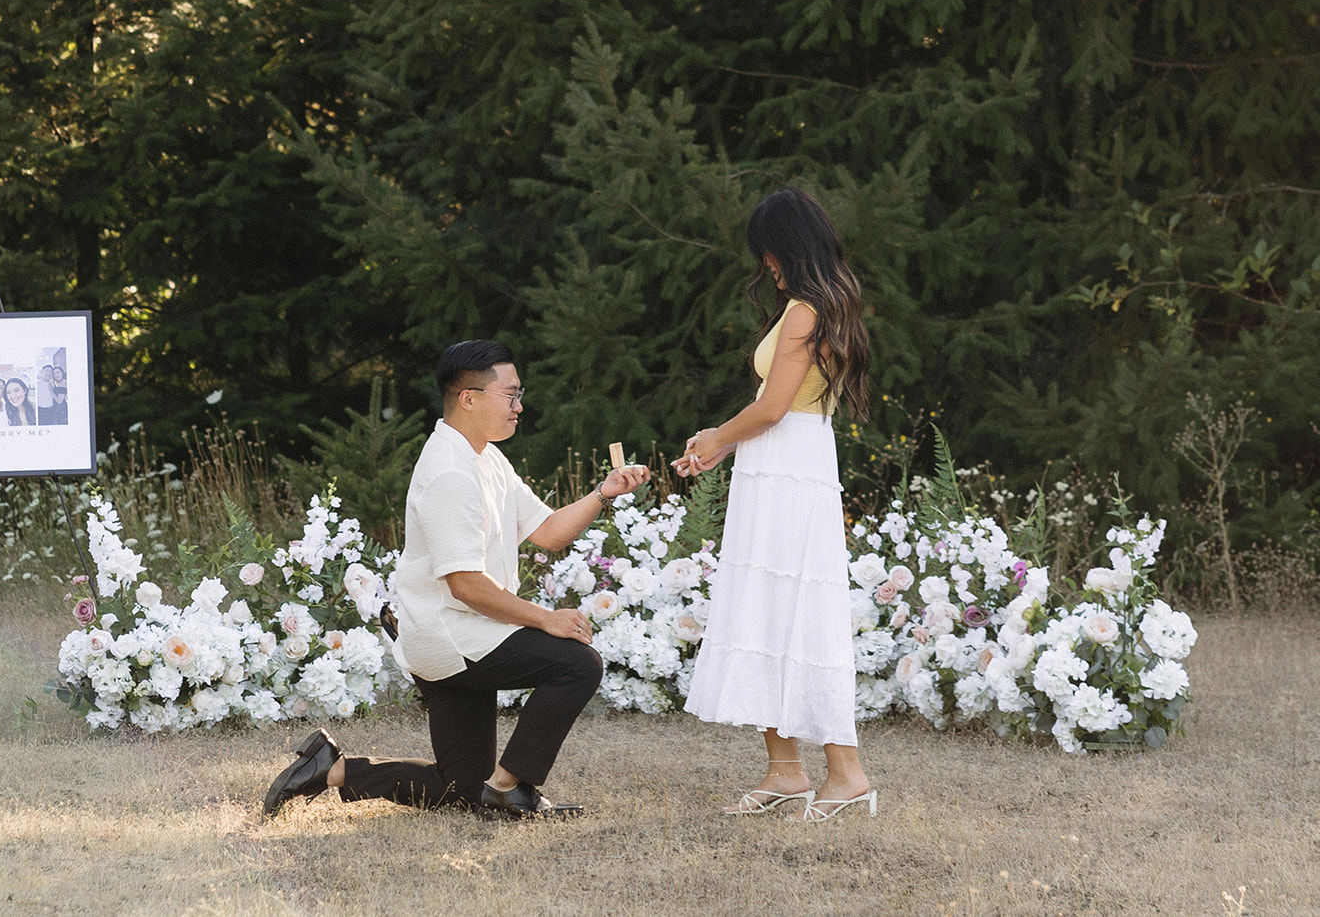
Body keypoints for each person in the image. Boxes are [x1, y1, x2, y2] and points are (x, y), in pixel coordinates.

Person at [263, 340, 651, 820]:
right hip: (450, 637)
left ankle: (331, 769)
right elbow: (465, 586)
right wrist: (547, 619)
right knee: (577, 663)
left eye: (518, 394)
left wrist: (602, 493)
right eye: (510, 395)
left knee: (460, 787)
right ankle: (510, 788)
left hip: (465, 631)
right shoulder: (449, 471)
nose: (519, 406)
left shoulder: (484, 456)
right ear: (468, 398)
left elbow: (549, 533)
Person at [674, 187, 877, 822]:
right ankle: (784, 768)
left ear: (783, 248)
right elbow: (773, 415)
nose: (765, 265)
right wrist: (721, 451)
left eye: (768, 252)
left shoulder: (806, 312)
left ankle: (845, 773)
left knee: (797, 609)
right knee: (765, 606)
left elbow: (771, 407)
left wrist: (713, 438)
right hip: (781, 464)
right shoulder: (824, 303)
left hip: (790, 472)